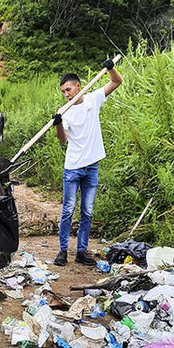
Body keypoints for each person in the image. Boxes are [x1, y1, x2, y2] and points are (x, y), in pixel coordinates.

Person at [52, 58, 122, 267]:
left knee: (87, 211)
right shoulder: (65, 110)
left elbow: (116, 82)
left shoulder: (93, 98)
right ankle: (63, 251)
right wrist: (58, 125)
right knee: (68, 210)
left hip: (92, 166)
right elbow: (63, 140)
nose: (67, 94)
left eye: (69, 89)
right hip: (73, 168)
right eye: (64, 92)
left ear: (78, 86)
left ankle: (81, 252)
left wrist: (111, 68)